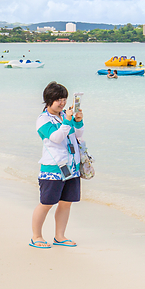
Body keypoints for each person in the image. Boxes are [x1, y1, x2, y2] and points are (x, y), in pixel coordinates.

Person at [30, 81, 84, 249]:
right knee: (46, 203)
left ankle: (60, 236)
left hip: (71, 167)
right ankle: (36, 236)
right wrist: (68, 121)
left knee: (66, 202)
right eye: (58, 99)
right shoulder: (43, 119)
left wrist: (78, 121)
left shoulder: (64, 116)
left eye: (64, 99)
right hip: (53, 168)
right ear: (49, 100)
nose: (62, 103)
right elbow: (55, 138)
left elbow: (78, 136)